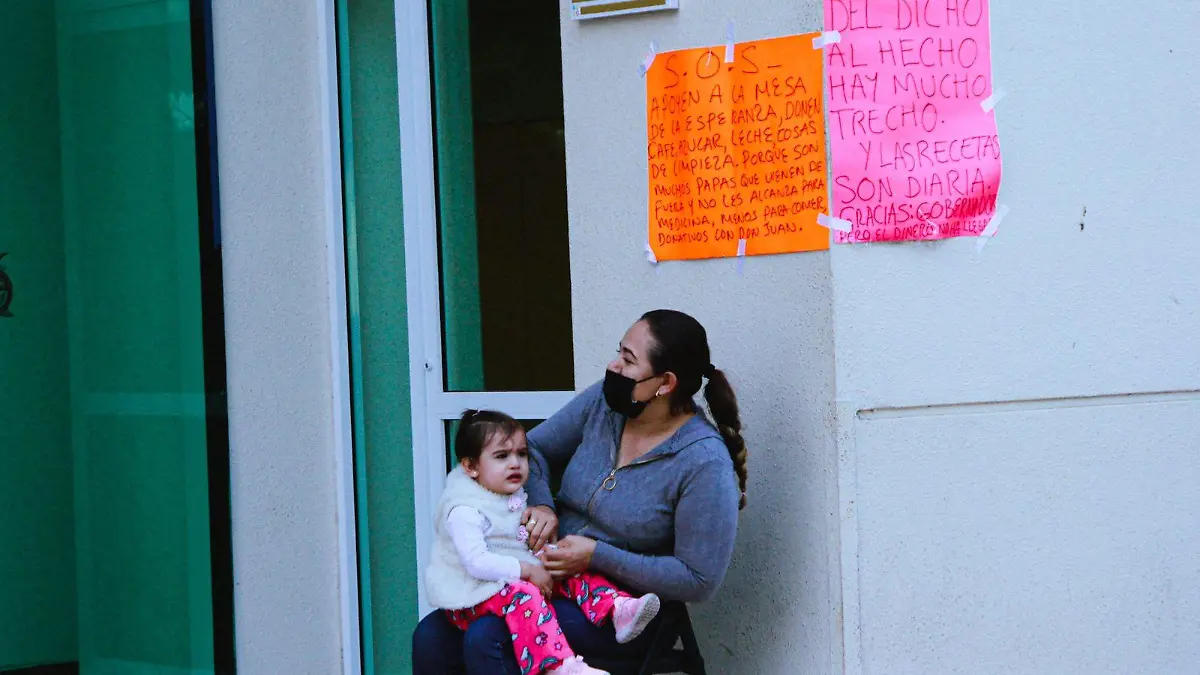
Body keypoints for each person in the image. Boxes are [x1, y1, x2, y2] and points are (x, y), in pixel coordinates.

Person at [413, 309, 747, 674]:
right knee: (431, 635)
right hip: (550, 576)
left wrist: (597, 556)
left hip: (623, 608)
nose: (613, 366)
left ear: (665, 383)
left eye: (628, 360)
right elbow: (534, 450)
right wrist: (542, 505)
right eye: (619, 352)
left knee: (489, 637)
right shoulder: (604, 406)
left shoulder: (702, 461)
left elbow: (697, 579)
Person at [424, 409, 664, 675]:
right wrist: (527, 570)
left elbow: (516, 545)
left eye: (522, 454)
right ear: (470, 466)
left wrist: (545, 557)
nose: (515, 463)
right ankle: (560, 666)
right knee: (525, 596)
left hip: (507, 580)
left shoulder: (504, 493)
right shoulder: (464, 510)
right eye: (502, 456)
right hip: (473, 594)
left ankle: (618, 609)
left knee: (567, 564)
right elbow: (476, 563)